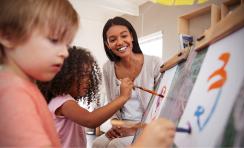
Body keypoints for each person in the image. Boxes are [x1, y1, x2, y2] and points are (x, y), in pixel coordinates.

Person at [0, 0, 79, 146]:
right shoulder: (13, 94)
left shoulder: (23, 87)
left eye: (66, 44)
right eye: (54, 40)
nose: (65, 53)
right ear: (8, 36)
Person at [37, 46, 134, 148]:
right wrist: (122, 97)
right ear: (65, 76)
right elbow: (90, 120)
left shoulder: (61, 100)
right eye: (82, 75)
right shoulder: (63, 102)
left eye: (88, 75)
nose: (87, 80)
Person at [93, 16, 163, 148]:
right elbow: (112, 104)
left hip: (148, 126)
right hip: (122, 127)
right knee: (98, 144)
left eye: (124, 36)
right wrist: (115, 125)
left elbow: (161, 106)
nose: (119, 42)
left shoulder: (154, 63)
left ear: (132, 36)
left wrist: (135, 129)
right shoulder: (108, 68)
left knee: (115, 145)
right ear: (107, 45)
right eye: (112, 40)